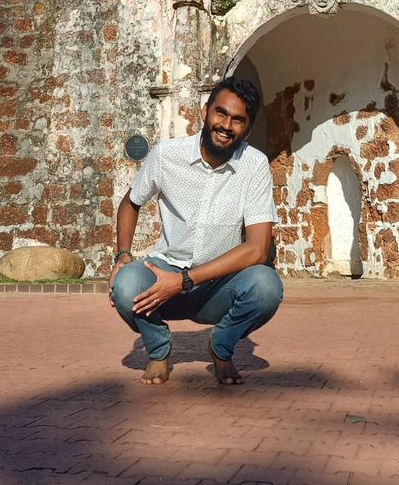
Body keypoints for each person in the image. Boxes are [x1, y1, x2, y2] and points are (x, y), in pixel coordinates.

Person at [109, 76, 283, 386]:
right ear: (205, 111)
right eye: (221, 113)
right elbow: (130, 202)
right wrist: (122, 255)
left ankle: (221, 346)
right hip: (164, 274)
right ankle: (159, 351)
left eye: (238, 120)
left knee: (266, 286)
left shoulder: (254, 166)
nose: (226, 125)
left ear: (248, 129)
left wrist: (186, 280)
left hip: (219, 284)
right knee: (125, 284)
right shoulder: (166, 155)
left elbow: (257, 248)